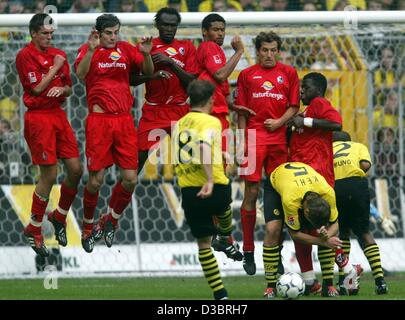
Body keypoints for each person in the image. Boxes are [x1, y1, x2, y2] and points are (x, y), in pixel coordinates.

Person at [74, 14, 153, 253]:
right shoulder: (89, 50)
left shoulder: (127, 49)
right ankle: (87, 227)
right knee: (95, 181)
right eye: (108, 33)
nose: (113, 37)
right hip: (100, 122)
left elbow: (148, 72)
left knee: (131, 179)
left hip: (125, 121)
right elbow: (80, 74)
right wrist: (90, 50)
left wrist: (147, 54)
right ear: (98, 32)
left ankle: (110, 220)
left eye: (115, 32)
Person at [16, 13, 83, 257]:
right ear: (33, 33)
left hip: (58, 116)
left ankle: (59, 215)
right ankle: (34, 227)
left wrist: (62, 88)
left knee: (76, 170)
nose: (49, 37)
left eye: (51, 34)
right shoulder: (25, 56)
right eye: (45, 33)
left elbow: (68, 88)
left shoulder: (59, 55)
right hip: (38, 118)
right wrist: (54, 67)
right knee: (50, 173)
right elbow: (35, 88)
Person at [234, 31, 300, 276]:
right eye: (265, 50)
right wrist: (241, 142)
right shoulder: (246, 75)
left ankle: (275, 251)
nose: (269, 55)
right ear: (258, 51)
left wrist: (280, 122)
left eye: (273, 50)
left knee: (280, 196)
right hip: (253, 137)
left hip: (279, 139)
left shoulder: (289, 73)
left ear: (278, 51)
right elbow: (240, 111)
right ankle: (249, 250)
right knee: (251, 191)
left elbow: (294, 106)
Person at [173, 79, 242, 300]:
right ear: (212, 100)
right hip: (214, 187)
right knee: (224, 207)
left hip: (189, 191)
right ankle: (225, 235)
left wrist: (219, 154)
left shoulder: (179, 123)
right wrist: (210, 180)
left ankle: (220, 294)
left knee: (203, 245)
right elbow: (202, 145)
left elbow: (193, 148)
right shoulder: (211, 121)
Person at [262, 161, 362, 298]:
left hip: (302, 182)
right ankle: (271, 286)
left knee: (326, 233)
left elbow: (335, 223)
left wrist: (327, 236)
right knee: (272, 230)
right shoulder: (291, 200)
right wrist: (324, 241)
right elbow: (295, 234)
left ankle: (329, 285)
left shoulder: (328, 193)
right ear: (306, 211)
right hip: (276, 183)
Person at [287, 71, 342, 296]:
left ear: (318, 90)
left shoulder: (319, 103)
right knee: (307, 231)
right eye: (300, 87)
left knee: (322, 230)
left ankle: (330, 281)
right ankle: (312, 282)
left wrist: (305, 121)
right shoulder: (304, 111)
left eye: (306, 87)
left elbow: (336, 123)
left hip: (318, 178)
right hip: (300, 179)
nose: (301, 91)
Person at [130, 7, 198, 173]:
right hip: (154, 111)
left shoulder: (187, 47)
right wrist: (151, 76)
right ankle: (120, 198)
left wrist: (171, 63)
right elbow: (131, 80)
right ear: (157, 25)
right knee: (135, 163)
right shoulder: (146, 47)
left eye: (173, 25)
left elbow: (192, 82)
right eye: (165, 25)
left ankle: (189, 199)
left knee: (188, 164)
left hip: (180, 111)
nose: (169, 29)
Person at [333, 131, 388, 295]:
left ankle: (344, 282)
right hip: (357, 186)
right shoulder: (358, 146)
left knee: (341, 234)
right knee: (364, 233)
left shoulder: (327, 149)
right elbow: (365, 165)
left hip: (335, 188)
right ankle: (380, 282)